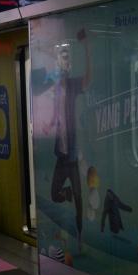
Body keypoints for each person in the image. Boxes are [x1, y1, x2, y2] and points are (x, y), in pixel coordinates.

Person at [49, 32, 92, 253]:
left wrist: (86, 48)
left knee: (78, 198)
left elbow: (88, 77)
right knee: (54, 194)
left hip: (73, 158)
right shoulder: (56, 90)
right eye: (60, 62)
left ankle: (80, 238)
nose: (63, 67)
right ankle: (65, 195)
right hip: (61, 156)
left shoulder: (74, 86)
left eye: (66, 62)